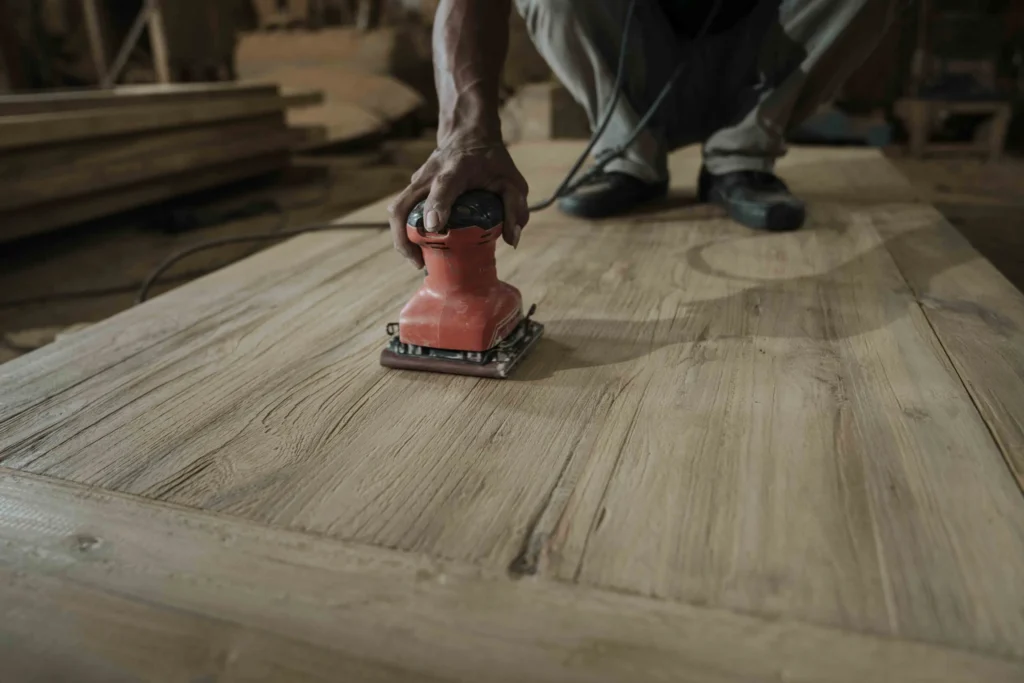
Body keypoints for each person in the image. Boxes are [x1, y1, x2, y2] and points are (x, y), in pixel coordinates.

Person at [388, 0, 898, 269]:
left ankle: (742, 155)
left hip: (761, 58)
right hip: (635, 59)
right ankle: (630, 154)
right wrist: (466, 133)